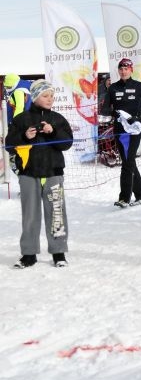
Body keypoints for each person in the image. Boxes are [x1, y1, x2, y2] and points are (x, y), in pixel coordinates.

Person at [5, 79, 73, 268]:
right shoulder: (21, 119)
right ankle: (29, 254)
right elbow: (9, 145)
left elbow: (67, 143)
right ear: (35, 97)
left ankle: (59, 253)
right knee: (30, 215)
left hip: (53, 172)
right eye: (45, 95)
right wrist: (24, 136)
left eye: (52, 95)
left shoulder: (58, 119)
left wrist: (53, 132)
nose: (50, 99)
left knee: (57, 213)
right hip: (28, 173)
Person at [103, 58, 141, 208]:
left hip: (134, 129)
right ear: (118, 71)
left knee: (127, 162)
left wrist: (140, 117)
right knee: (128, 161)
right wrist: (114, 113)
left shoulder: (140, 86)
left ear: (131, 70)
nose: (123, 71)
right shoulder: (113, 88)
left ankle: (124, 198)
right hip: (119, 129)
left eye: (126, 69)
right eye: (121, 69)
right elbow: (105, 109)